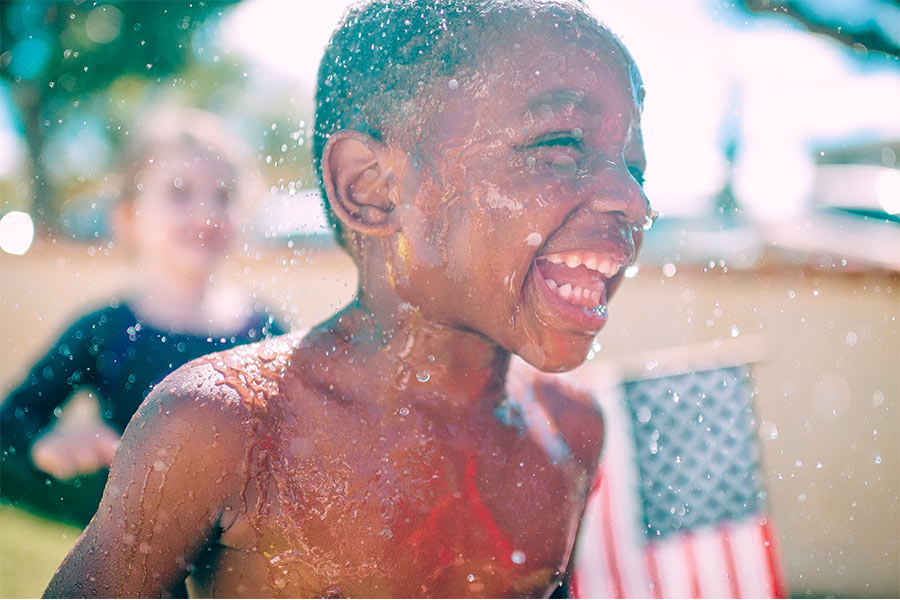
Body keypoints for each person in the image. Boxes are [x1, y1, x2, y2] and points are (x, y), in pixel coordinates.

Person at [45, 0, 653, 596]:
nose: (634, 201)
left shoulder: (570, 432)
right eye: (561, 144)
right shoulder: (230, 428)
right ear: (372, 188)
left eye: (635, 167)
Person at [0, 106, 283, 526]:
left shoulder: (266, 336)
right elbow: (11, 422)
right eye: (179, 192)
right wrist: (45, 446)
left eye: (222, 196)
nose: (205, 213)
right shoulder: (105, 331)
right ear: (129, 218)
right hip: (128, 567)